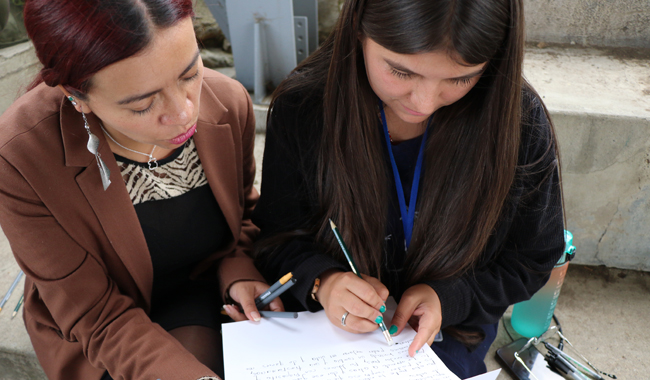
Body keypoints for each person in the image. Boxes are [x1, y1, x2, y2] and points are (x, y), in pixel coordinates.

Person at [252, 0, 565, 378]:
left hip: (450, 329)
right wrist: (323, 281)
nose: (424, 102)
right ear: (358, 28)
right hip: (328, 330)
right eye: (400, 72)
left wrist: (452, 298)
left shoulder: (518, 123)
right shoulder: (303, 108)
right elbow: (276, 236)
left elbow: (532, 258)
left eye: (460, 78)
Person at [0, 1, 282, 379]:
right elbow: (94, 314)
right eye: (143, 105)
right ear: (76, 96)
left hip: (200, 287)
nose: (184, 113)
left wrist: (240, 270)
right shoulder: (21, 158)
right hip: (102, 327)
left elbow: (243, 214)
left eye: (190, 73)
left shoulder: (228, 103)